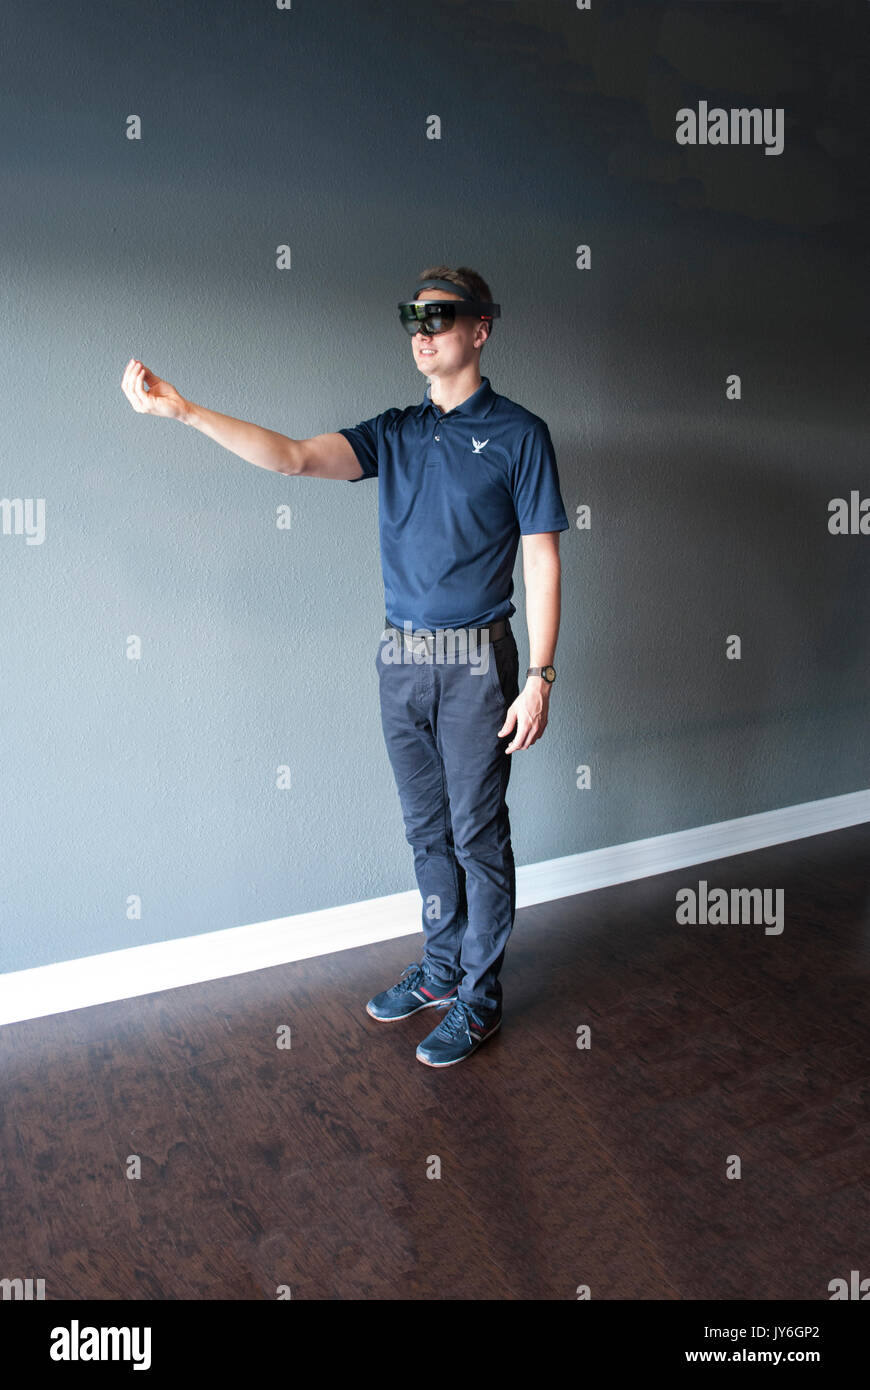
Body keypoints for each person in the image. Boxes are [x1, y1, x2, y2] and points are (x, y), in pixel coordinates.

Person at [120, 263, 569, 1068]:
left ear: (480, 329)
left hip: (478, 664)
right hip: (399, 659)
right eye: (413, 319)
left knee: (477, 835)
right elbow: (291, 457)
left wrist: (539, 676)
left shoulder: (519, 435)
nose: (423, 332)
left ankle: (480, 997)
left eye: (441, 317)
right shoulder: (393, 432)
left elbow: (541, 561)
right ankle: (439, 967)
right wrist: (183, 412)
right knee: (425, 830)